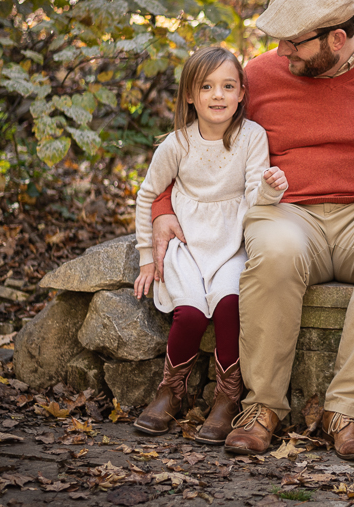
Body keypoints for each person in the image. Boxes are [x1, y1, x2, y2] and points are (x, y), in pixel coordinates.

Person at [149, 0, 354, 460]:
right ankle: (261, 407)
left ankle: (346, 410)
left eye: (293, 44)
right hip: (287, 209)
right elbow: (195, 143)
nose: (281, 54)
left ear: (338, 38)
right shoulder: (263, 75)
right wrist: (162, 208)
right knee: (272, 251)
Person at [132, 47, 287, 444]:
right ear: (190, 95)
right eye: (207, 87)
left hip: (231, 245)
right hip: (186, 244)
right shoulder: (176, 144)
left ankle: (226, 398)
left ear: (241, 94)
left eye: (228, 86)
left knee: (229, 306)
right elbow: (148, 194)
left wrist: (269, 192)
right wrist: (148, 258)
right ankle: (171, 391)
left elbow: (255, 198)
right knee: (190, 315)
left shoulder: (252, 137)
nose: (218, 95)